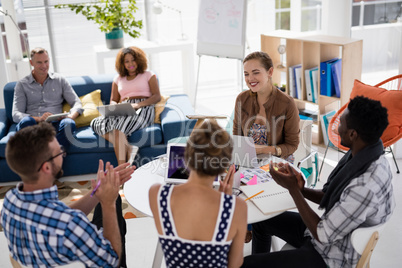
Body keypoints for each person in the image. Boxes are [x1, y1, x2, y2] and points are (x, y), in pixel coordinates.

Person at [242, 96, 395, 268]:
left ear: (353, 134)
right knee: (260, 222)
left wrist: (293, 190)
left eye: (341, 124)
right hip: (330, 235)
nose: (337, 130)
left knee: (246, 264)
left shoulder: (365, 186)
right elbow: (329, 197)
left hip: (332, 257)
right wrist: (301, 188)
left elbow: (323, 235)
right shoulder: (368, 153)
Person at [1, 123, 135, 267]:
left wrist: (96, 193)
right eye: (60, 152)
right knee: (114, 205)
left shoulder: (10, 201)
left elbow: (60, 214)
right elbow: (112, 261)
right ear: (46, 167)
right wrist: (108, 203)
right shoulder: (71, 226)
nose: (63, 155)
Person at [149, 120, 247, 268]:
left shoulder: (157, 194)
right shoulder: (237, 207)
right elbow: (235, 264)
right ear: (222, 168)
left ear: (187, 158)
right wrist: (226, 201)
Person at [91, 46, 161, 165]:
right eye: (126, 61)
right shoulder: (118, 78)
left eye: (133, 60)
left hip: (143, 108)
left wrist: (138, 105)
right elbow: (113, 100)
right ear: (122, 64)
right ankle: (128, 147)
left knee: (118, 129)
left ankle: (122, 169)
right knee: (95, 123)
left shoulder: (148, 75)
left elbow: (156, 96)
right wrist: (113, 108)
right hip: (123, 108)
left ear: (139, 60)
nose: (130, 64)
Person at [233, 51, 300, 163]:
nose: (250, 79)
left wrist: (262, 150)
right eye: (246, 74)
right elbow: (237, 137)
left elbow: (292, 145)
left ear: (270, 72)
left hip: (278, 160)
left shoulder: (287, 103)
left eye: (256, 72)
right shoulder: (242, 99)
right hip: (248, 160)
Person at [12, 47, 83, 150]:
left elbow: (77, 103)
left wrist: (71, 116)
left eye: (46, 61)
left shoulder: (59, 80)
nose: (44, 66)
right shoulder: (22, 85)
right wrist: (39, 118)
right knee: (26, 121)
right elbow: (16, 114)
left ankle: (55, 155)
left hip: (55, 124)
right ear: (31, 63)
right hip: (33, 126)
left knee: (69, 124)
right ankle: (46, 157)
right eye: (39, 62)